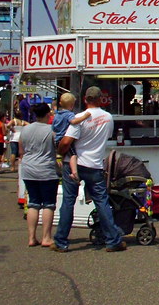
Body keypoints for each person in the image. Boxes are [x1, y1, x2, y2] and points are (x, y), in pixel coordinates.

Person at [52, 87, 125, 253]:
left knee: (68, 202)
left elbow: (65, 142)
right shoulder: (108, 117)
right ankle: (112, 240)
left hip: (74, 163)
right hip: (95, 164)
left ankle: (61, 241)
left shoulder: (78, 118)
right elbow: (107, 137)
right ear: (101, 99)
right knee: (102, 202)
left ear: (85, 99)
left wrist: (60, 153)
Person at [19, 103, 59, 247]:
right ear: (48, 114)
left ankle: (31, 238)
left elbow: (21, 150)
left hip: (29, 168)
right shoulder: (51, 130)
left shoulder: (26, 129)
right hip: (46, 169)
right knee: (49, 204)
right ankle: (46, 237)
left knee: (33, 204)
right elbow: (58, 147)